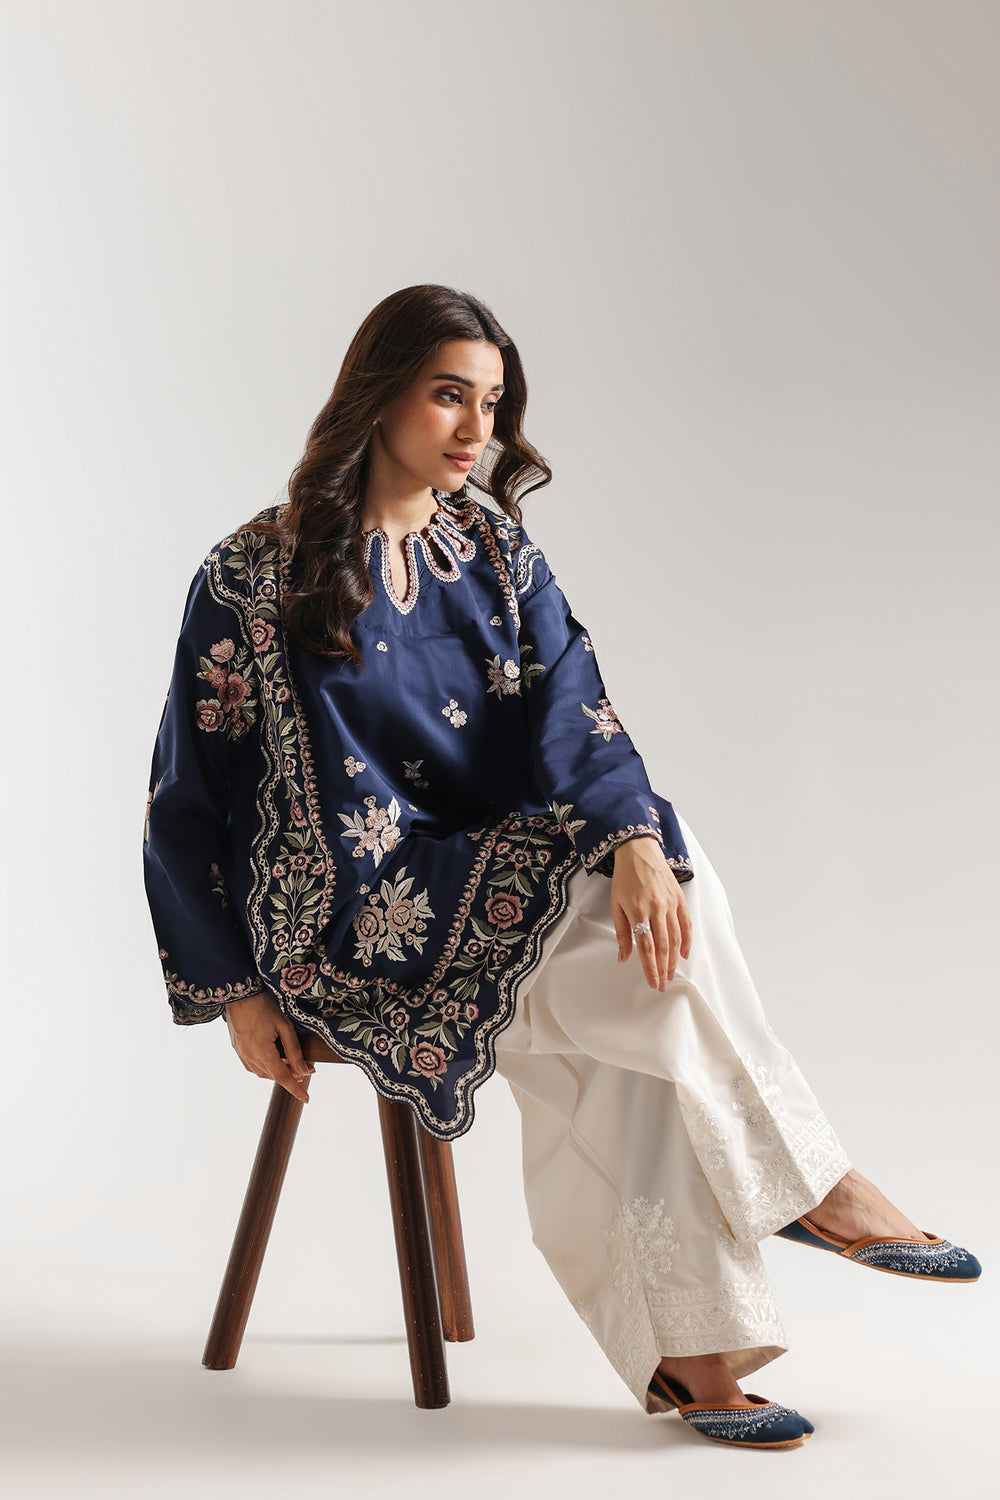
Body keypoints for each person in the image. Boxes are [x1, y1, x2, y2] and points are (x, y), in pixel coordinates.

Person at [142, 283, 980, 1451]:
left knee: (659, 918)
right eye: (448, 395)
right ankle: (804, 1186)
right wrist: (234, 990)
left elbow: (573, 710)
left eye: (491, 403)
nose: (475, 429)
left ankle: (696, 1350)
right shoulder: (251, 572)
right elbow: (184, 800)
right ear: (376, 393)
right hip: (343, 916)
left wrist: (630, 841)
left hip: (494, 875)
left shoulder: (491, 547)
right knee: (638, 962)